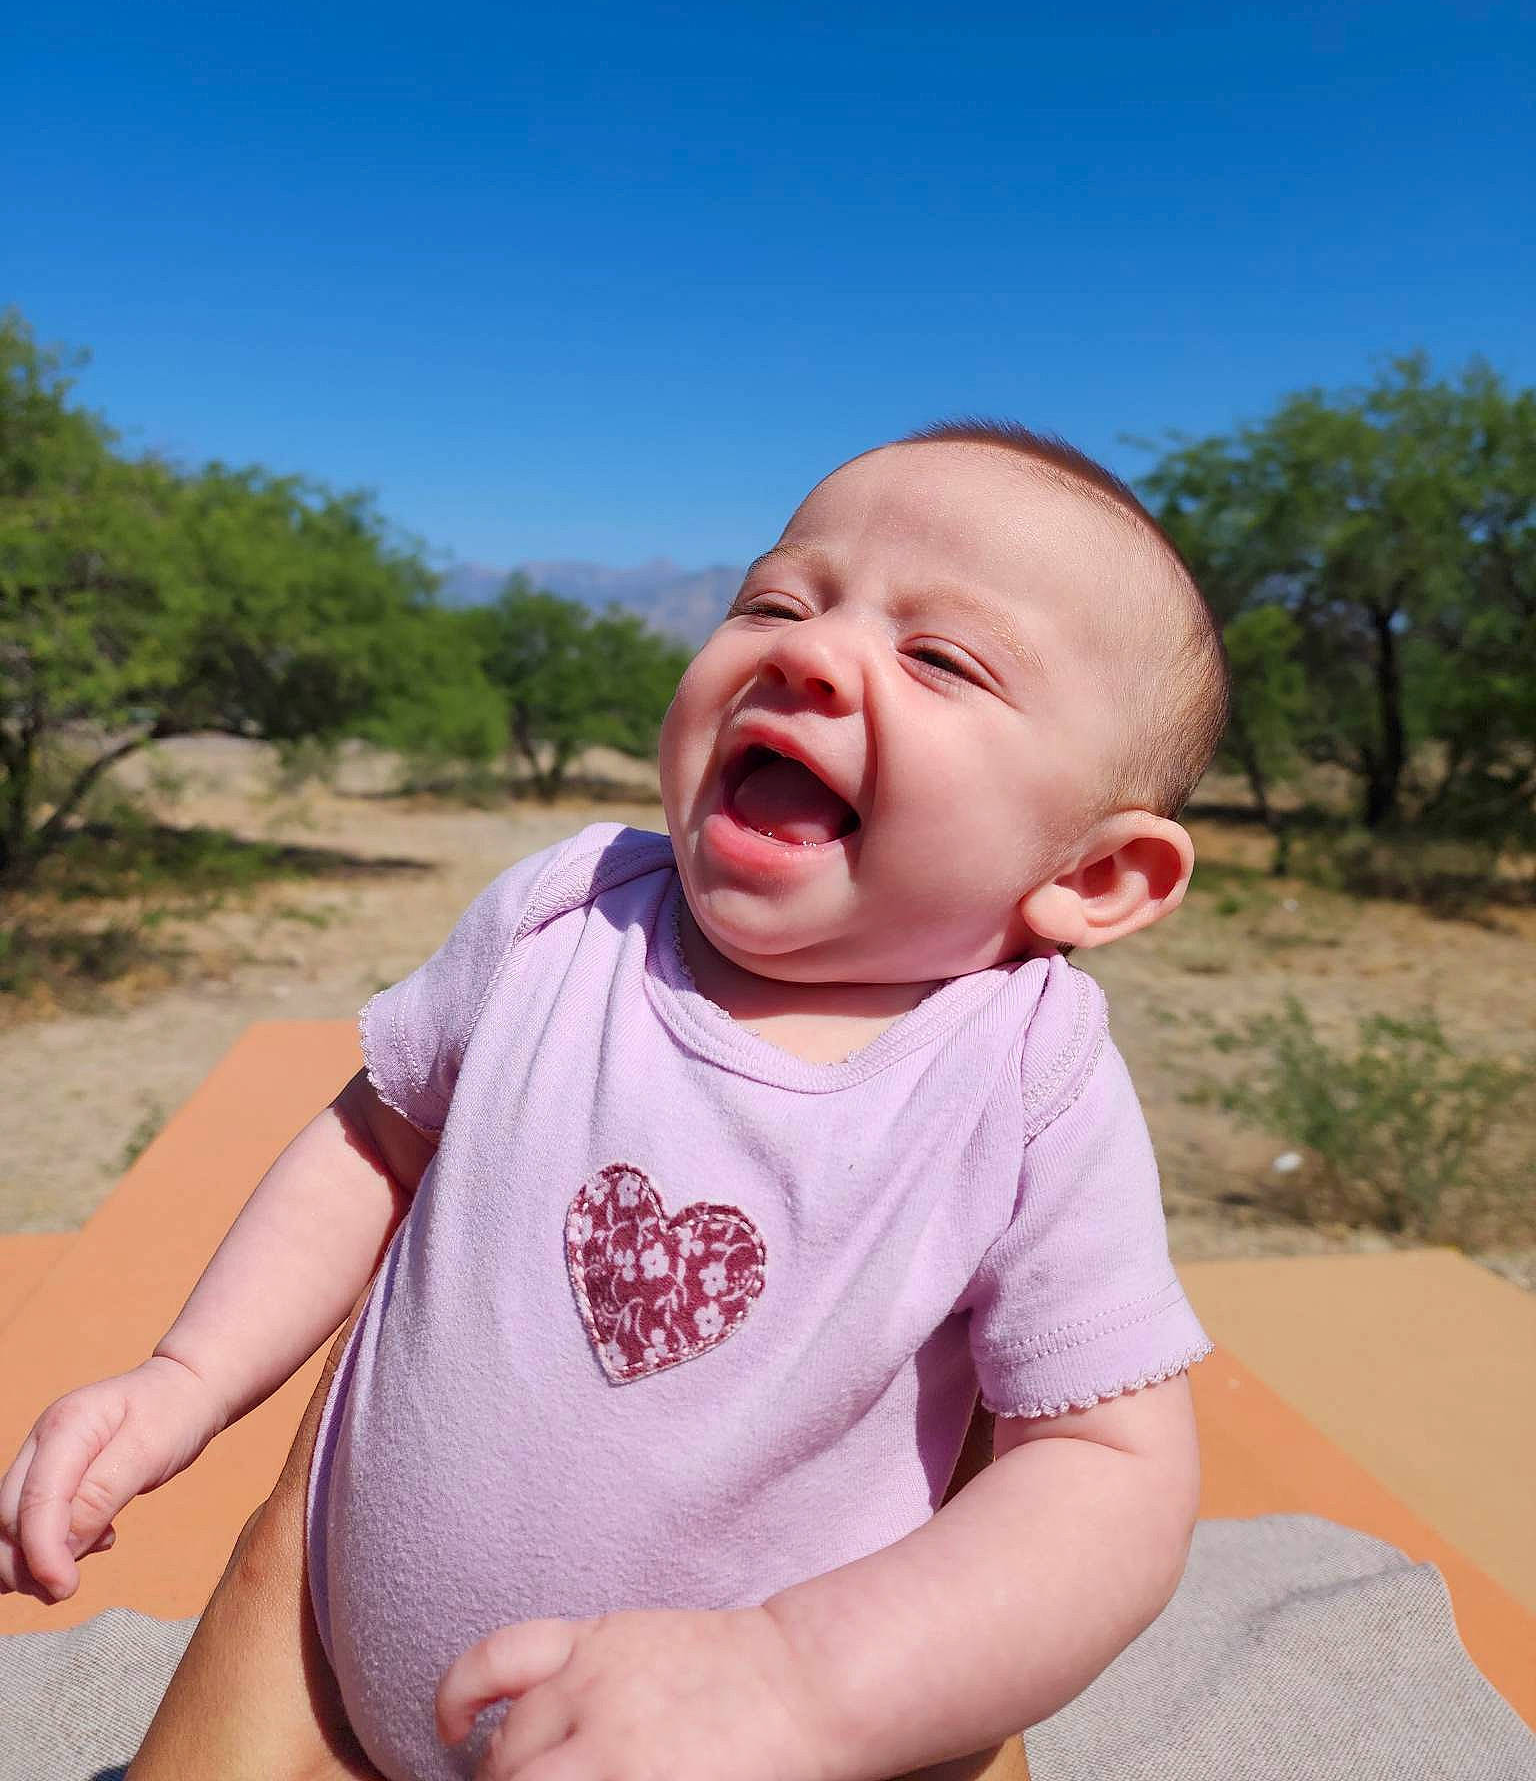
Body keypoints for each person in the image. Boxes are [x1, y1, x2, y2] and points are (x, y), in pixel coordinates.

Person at [1, 421, 1228, 1781]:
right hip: (322, 1698)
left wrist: (801, 1681)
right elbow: (373, 1138)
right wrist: (187, 1377)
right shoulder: (563, 915)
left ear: (1098, 878)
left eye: (940, 657)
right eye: (777, 599)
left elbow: (1108, 1472)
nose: (809, 653)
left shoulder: (1022, 1079)